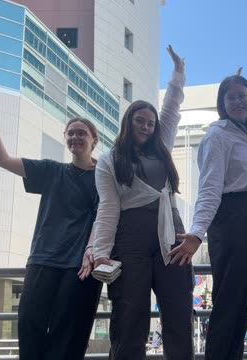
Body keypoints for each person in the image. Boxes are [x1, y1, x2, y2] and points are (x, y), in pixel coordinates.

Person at [169, 74, 247, 360]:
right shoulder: (218, 134)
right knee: (232, 301)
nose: (239, 101)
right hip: (233, 217)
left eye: (243, 95)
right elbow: (210, 187)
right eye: (232, 97)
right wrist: (198, 232)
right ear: (222, 104)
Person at [92, 45, 194, 360]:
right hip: (130, 239)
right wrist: (99, 253)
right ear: (129, 121)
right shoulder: (109, 160)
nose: (147, 126)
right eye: (140, 120)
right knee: (129, 316)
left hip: (171, 236)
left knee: (178, 314)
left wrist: (178, 73)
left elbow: (172, 107)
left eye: (150, 122)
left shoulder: (161, 146)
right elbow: (107, 209)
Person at [0, 101, 101, 359]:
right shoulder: (52, 170)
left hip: (80, 266)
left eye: (81, 132)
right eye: (70, 132)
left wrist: (91, 249)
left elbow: (103, 217)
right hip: (43, 259)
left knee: (69, 335)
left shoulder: (103, 177)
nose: (75, 136)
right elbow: (2, 160)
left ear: (94, 139)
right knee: (29, 326)